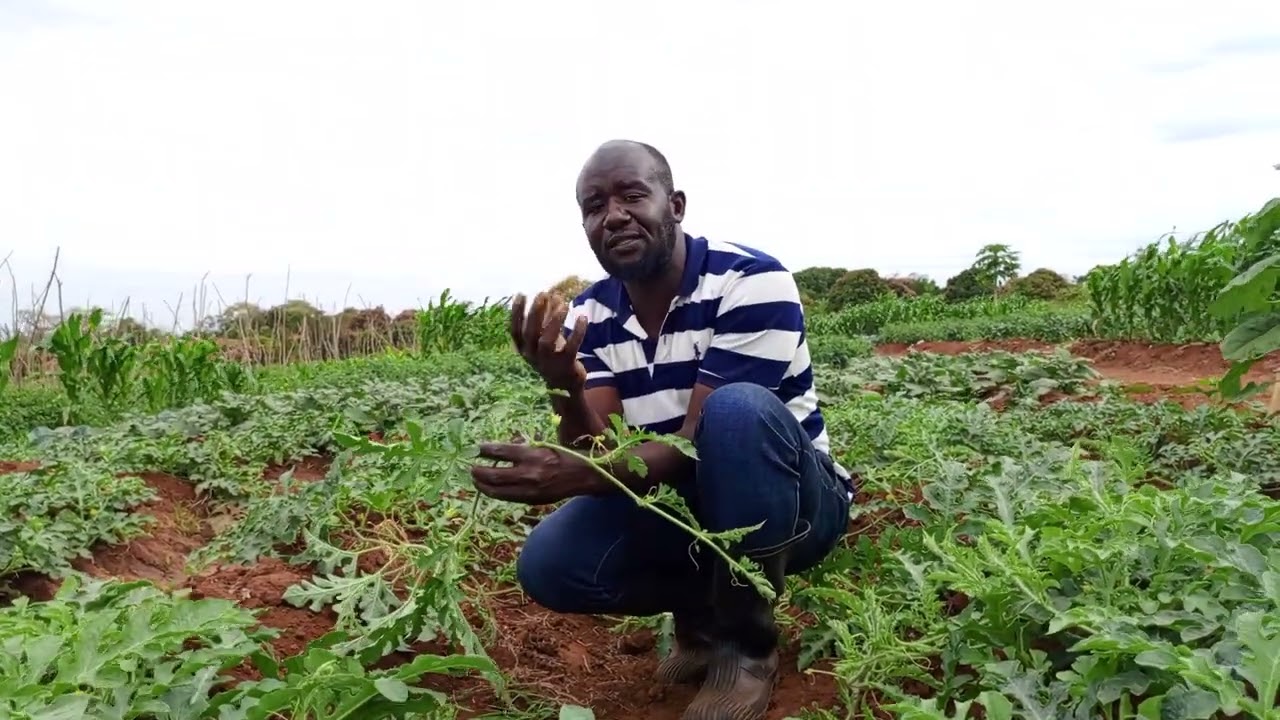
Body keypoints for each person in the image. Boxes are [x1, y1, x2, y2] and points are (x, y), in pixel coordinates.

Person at [470, 140, 854, 720]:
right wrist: (563, 385)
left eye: (632, 195)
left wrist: (583, 474)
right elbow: (603, 447)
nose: (615, 215)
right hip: (684, 503)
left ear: (674, 205)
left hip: (797, 503)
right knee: (550, 562)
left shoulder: (751, 280)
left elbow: (700, 438)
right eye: (595, 206)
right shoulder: (590, 316)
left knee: (736, 413)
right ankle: (701, 614)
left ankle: (747, 646)